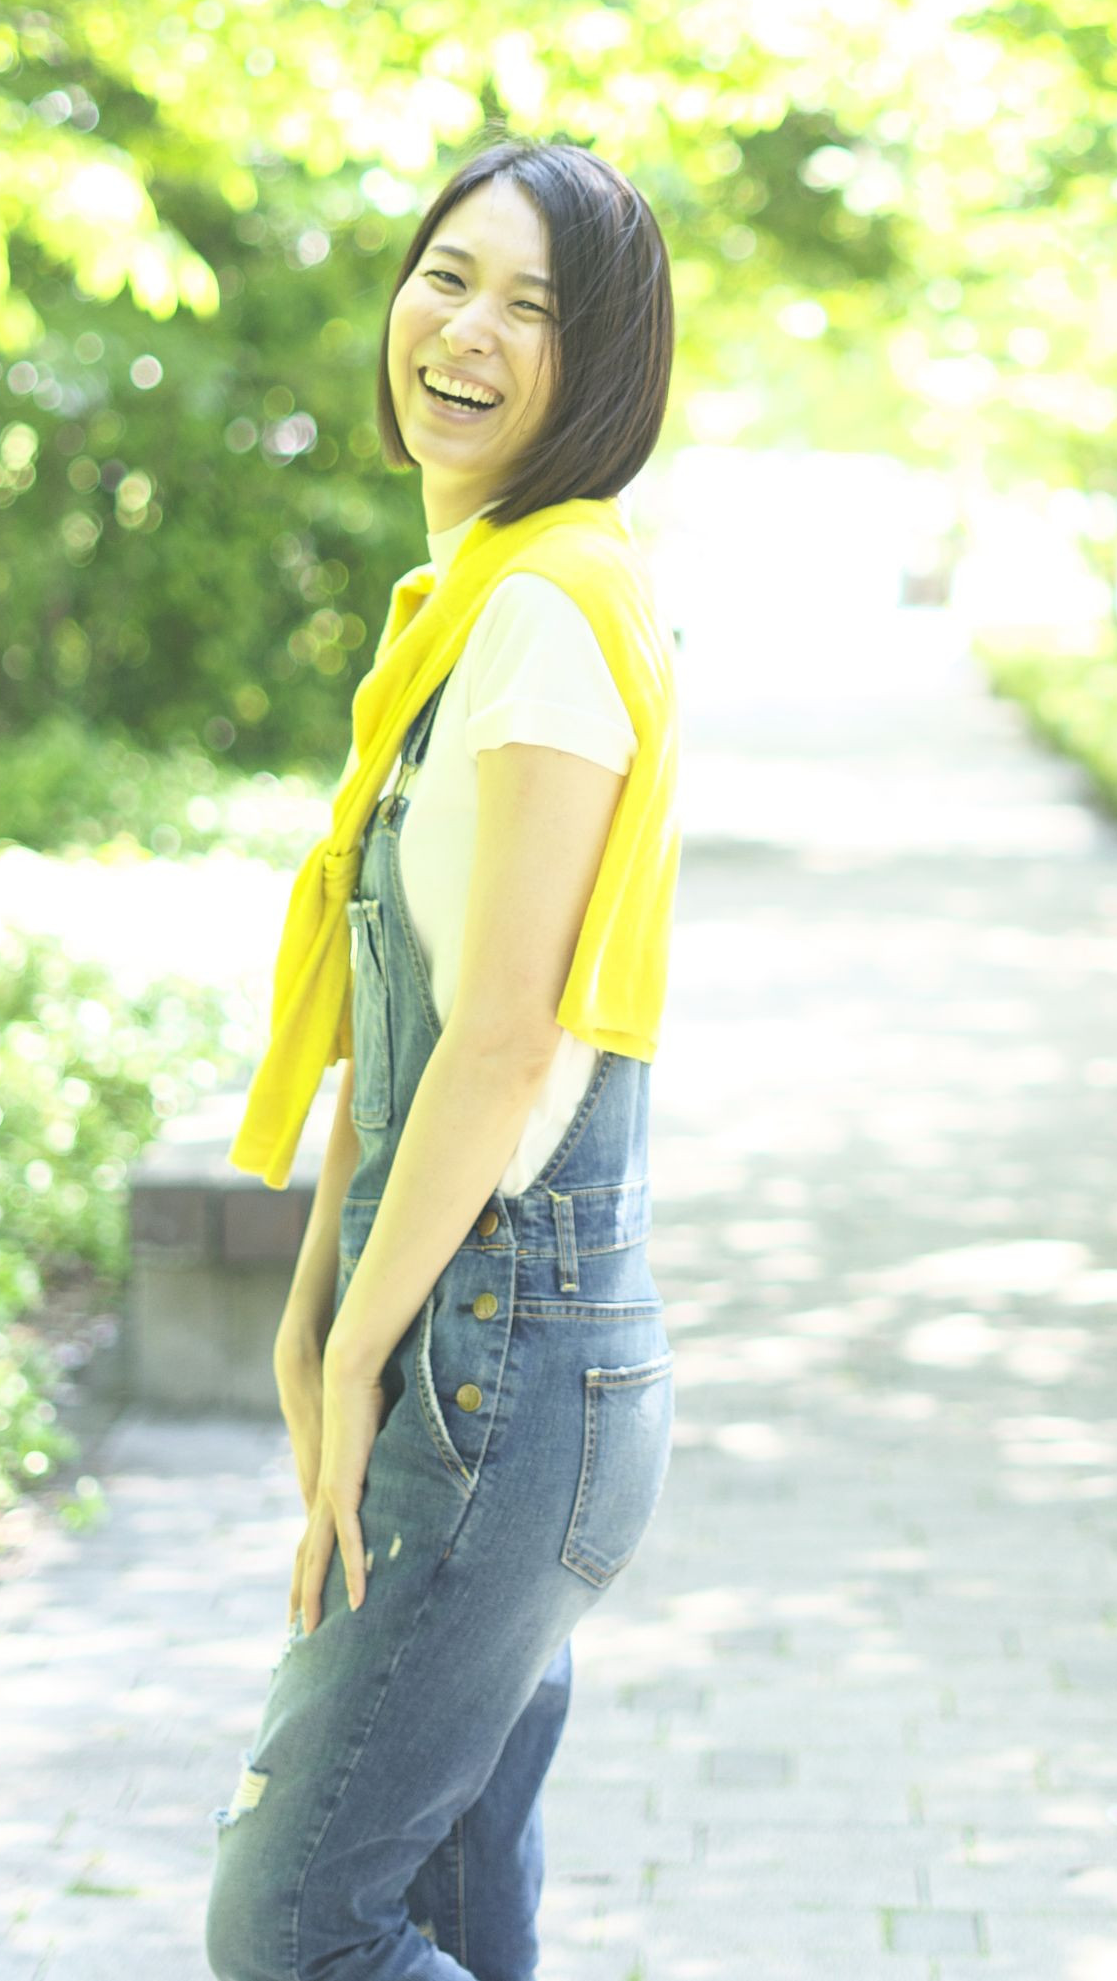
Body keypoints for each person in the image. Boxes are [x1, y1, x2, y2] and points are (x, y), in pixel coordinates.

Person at [205, 141, 684, 1981]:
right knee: (447, 1907)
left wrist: (354, 1346)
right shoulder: (480, 603)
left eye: (532, 307)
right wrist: (315, 1303)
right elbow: (397, 1021)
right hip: (470, 1339)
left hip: (500, 1358)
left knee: (298, 1926)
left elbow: (498, 1040)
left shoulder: (546, 613)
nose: (466, 330)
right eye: (447, 275)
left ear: (601, 366)